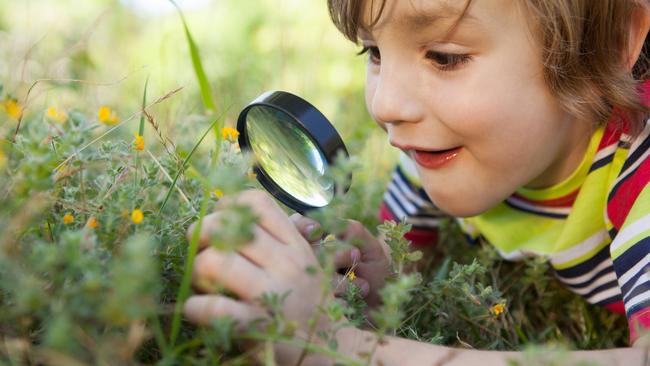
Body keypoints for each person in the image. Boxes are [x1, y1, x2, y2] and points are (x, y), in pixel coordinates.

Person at [183, 0, 650, 364]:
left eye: (445, 57)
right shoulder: (437, 148)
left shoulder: (639, 165)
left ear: (607, 47)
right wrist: (386, 283)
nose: (387, 105)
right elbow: (413, 261)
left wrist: (338, 349)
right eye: (375, 53)